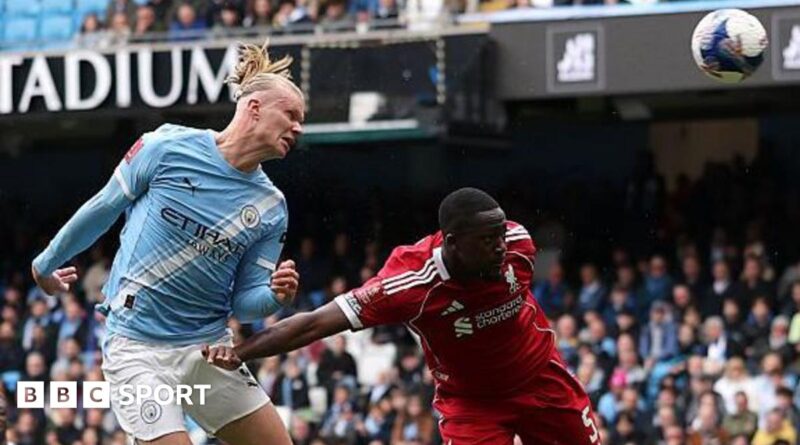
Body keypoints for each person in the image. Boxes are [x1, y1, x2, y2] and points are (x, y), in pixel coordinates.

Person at [31, 40, 305, 445]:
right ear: (254, 108)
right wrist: (45, 263)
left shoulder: (271, 207)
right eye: (291, 115)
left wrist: (275, 297)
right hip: (137, 349)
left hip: (208, 349)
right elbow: (102, 208)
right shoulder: (166, 147)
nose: (298, 128)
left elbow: (245, 305)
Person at [205, 187, 602, 444]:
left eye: (500, 235)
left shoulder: (518, 245)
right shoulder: (409, 285)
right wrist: (241, 352)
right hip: (472, 405)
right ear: (452, 244)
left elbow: (507, 244)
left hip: (542, 381)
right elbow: (314, 323)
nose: (500, 246)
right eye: (487, 240)